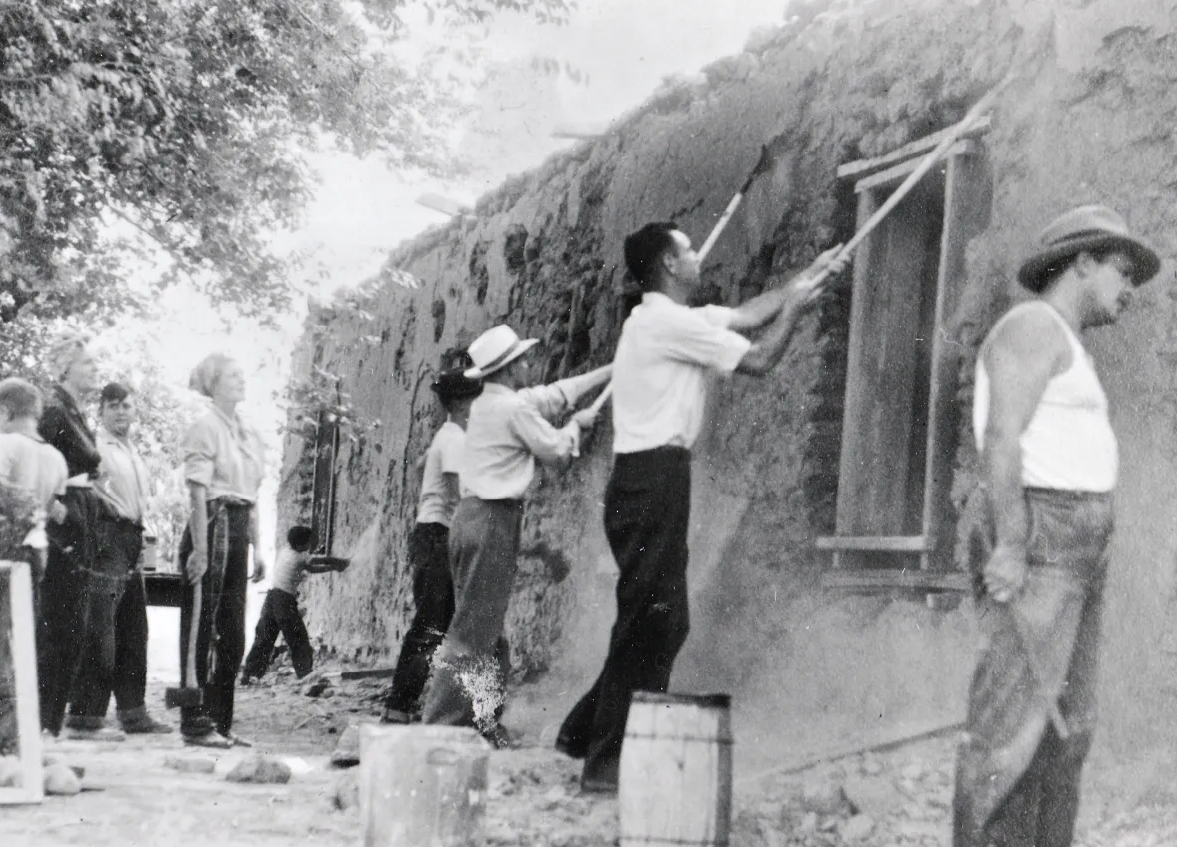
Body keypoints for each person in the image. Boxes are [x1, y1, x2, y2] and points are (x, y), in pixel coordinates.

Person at [557, 221, 847, 792]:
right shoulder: (666, 324)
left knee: (661, 618)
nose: (697, 258)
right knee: (650, 619)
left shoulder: (670, 319)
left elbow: (744, 316)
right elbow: (761, 357)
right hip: (649, 479)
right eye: (688, 251)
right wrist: (798, 308)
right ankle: (605, 762)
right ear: (669, 263)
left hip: (656, 479)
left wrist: (805, 278)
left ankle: (584, 730)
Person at [952, 205, 1161, 847]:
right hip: (1043, 545)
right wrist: (1013, 544)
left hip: (1076, 551)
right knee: (1011, 734)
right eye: (1122, 273)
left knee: (1064, 731)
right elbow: (1002, 437)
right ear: (1082, 263)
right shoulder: (1033, 325)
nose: (1128, 291)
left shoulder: (1063, 340)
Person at [420, 326, 611, 743]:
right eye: (523, 360)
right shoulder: (511, 410)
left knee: (488, 634)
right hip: (491, 520)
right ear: (509, 368)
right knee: (472, 637)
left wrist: (610, 370)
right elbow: (559, 454)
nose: (530, 364)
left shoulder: (492, 404)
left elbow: (556, 393)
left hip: (475, 520)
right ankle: (439, 731)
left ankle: (484, 723)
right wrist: (577, 427)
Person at [65, 383, 172, 736]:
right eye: (113, 406)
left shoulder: (133, 451)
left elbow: (136, 501)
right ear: (102, 411)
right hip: (106, 537)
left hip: (131, 537)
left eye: (127, 405)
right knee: (100, 628)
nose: (121, 411)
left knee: (134, 627)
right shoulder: (95, 446)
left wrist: (140, 542)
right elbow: (81, 486)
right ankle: (85, 715)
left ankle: (134, 712)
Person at [380, 365, 482, 724]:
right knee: (431, 628)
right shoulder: (453, 438)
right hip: (439, 536)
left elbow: (425, 466)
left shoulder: (449, 436)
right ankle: (398, 709)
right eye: (476, 398)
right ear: (461, 403)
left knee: (440, 626)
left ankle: (416, 708)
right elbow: (458, 498)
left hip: (437, 535)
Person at [177, 354, 266, 749]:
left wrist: (259, 547)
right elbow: (197, 491)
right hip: (212, 526)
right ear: (212, 384)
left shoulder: (248, 431)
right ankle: (194, 722)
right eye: (231, 376)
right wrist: (198, 548)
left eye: (241, 374)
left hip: (239, 527)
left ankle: (221, 722)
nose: (239, 381)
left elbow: (254, 495)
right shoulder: (204, 427)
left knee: (232, 633)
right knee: (200, 626)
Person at [36, 333, 122, 741]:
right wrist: (56, 507)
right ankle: (42, 725)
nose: (94, 369)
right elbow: (43, 464)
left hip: (84, 514)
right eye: (86, 363)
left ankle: (51, 725)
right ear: (65, 366)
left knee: (75, 622)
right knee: (60, 622)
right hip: (65, 520)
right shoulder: (53, 410)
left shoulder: (75, 410)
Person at [0, 378, 68, 753]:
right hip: (35, 555)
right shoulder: (55, 457)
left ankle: (7, 738)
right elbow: (55, 509)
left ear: (6, 411)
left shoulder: (6, 444)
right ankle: (18, 735)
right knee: (20, 642)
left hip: (5, 550)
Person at [240, 525, 327, 683]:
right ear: (301, 545)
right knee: (298, 637)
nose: (310, 546)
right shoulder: (299, 557)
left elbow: (312, 568)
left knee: (264, 636)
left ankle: (250, 674)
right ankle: (305, 672)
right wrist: (339, 564)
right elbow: (316, 563)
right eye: (309, 543)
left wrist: (333, 567)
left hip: (271, 597)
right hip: (284, 600)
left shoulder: (285, 551)